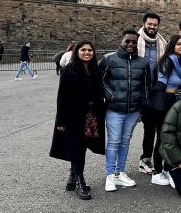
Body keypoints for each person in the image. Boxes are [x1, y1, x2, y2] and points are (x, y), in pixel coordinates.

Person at [49, 40, 106, 200]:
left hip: (92, 116)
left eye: (90, 50)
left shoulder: (95, 70)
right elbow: (62, 97)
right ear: (77, 52)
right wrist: (61, 121)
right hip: (74, 116)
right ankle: (80, 181)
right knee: (78, 147)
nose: (87, 52)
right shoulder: (69, 70)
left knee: (84, 146)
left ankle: (72, 177)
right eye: (83, 50)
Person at [98, 29, 150, 192]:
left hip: (133, 111)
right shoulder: (108, 60)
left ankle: (119, 173)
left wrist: (142, 105)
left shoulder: (142, 63)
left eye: (134, 42)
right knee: (114, 142)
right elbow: (100, 81)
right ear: (122, 41)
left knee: (125, 142)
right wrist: (110, 95)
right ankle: (110, 175)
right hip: (114, 109)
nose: (130, 44)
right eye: (128, 41)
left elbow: (146, 86)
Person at [150, 35, 181, 185]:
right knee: (162, 137)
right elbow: (161, 85)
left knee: (171, 137)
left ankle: (167, 168)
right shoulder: (168, 61)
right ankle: (157, 171)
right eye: (178, 44)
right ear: (172, 46)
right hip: (162, 102)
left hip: (172, 101)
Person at [138, 12, 168, 175]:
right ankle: (145, 158)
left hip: (157, 91)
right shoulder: (135, 41)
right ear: (144, 23)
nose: (152, 27)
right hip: (142, 90)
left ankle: (158, 159)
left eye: (155, 25)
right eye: (149, 24)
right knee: (148, 128)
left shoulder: (162, 43)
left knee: (159, 127)